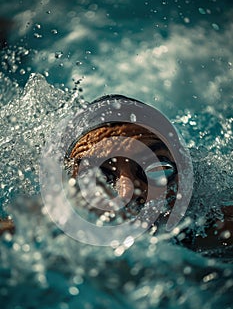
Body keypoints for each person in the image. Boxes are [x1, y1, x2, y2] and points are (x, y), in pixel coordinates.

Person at [1, 95, 232, 253]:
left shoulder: (207, 230)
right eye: (100, 177)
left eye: (158, 169)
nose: (127, 192)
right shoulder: (42, 233)